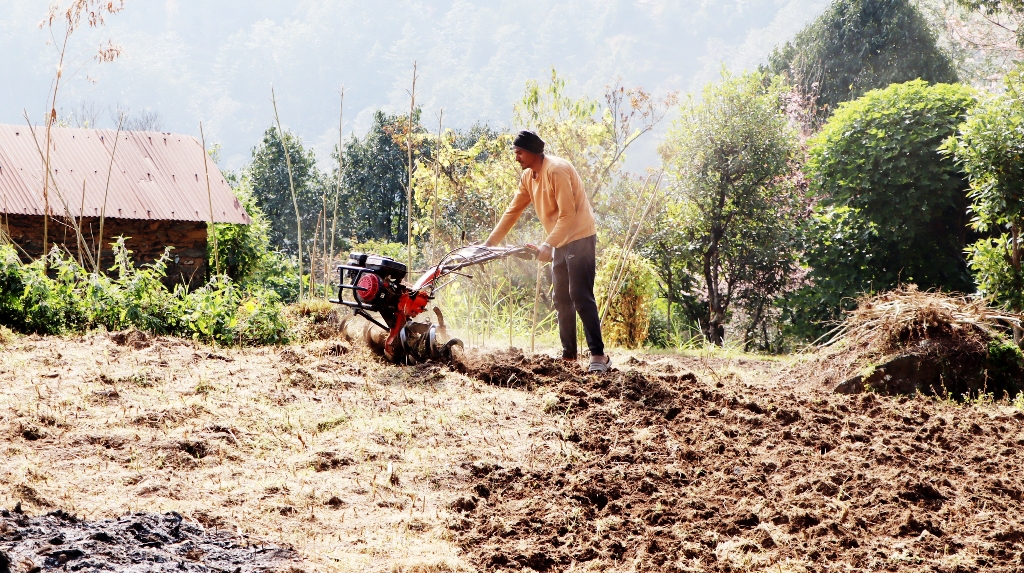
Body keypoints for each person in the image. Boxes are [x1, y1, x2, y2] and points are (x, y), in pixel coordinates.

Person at [484, 130, 611, 372]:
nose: (517, 157)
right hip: (559, 239)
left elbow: (568, 214)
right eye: (516, 153)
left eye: (519, 152)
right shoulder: (528, 178)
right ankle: (569, 356)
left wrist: (548, 244)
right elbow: (513, 211)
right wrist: (489, 243)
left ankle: (598, 355)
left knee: (580, 295)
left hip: (580, 236)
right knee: (561, 298)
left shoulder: (556, 170)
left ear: (533, 152)